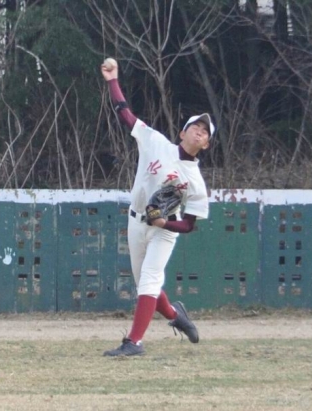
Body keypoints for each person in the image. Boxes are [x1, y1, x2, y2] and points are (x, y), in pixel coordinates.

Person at [100, 57, 214, 357]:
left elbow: (189, 224)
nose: (199, 131)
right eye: (195, 126)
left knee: (149, 281)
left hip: (164, 229)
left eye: (205, 132)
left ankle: (133, 343)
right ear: (183, 133)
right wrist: (113, 80)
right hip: (136, 220)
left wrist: (165, 224)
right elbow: (125, 114)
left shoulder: (195, 181)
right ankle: (176, 315)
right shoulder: (156, 142)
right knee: (144, 284)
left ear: (206, 144)